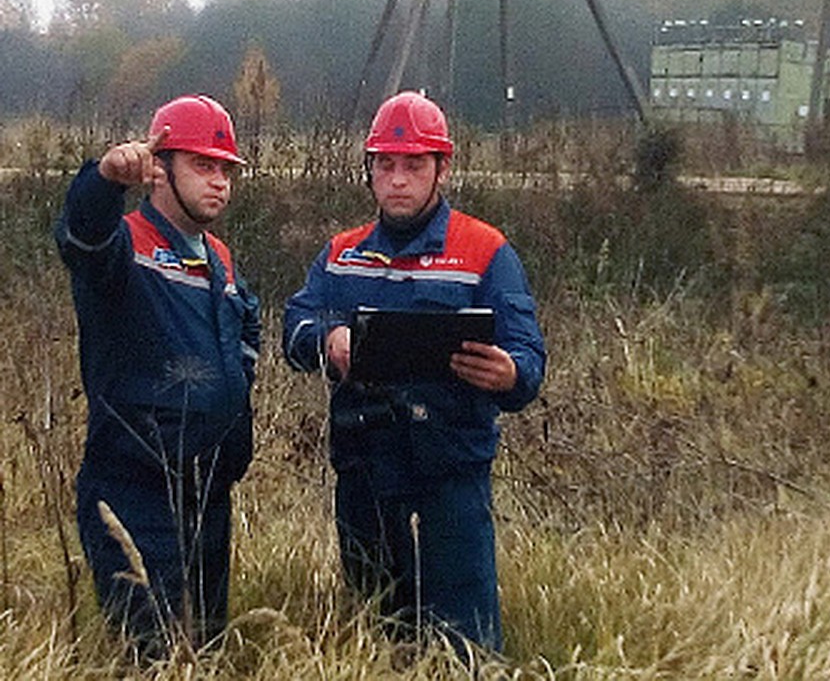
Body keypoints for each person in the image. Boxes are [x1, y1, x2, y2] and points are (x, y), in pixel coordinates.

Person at [283, 91, 545, 654]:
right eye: (386, 165)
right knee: (381, 633)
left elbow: (529, 360)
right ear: (370, 171)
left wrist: (508, 374)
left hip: (451, 467)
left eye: (413, 165)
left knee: (463, 641)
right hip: (365, 465)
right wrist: (328, 341)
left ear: (442, 169)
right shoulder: (341, 254)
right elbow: (294, 328)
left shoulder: (485, 251)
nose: (397, 180)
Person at [55, 95, 259, 656]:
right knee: (153, 657)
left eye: (225, 170)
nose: (218, 181)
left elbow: (246, 331)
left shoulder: (218, 257)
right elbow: (81, 233)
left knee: (204, 651)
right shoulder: (122, 247)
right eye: (202, 165)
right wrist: (103, 181)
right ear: (157, 169)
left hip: (209, 492)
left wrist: (239, 387)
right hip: (135, 492)